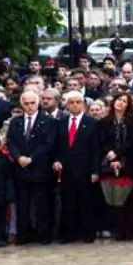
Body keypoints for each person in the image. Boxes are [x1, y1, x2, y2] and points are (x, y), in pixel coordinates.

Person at [7, 90, 56, 245]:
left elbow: (48, 144)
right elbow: (11, 141)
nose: (29, 106)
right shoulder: (16, 122)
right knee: (22, 204)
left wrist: (31, 158)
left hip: (39, 167)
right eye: (26, 103)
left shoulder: (47, 121)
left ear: (38, 103)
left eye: (32, 103)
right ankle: (23, 234)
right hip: (20, 168)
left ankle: (43, 234)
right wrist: (18, 157)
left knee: (41, 203)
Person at [52, 91, 98, 244]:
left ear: (83, 104)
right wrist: (56, 160)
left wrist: (94, 171)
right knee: (68, 202)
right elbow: (57, 146)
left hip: (85, 169)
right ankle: (68, 233)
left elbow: (95, 149)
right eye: (71, 102)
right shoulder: (60, 123)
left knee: (85, 202)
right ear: (66, 104)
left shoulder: (92, 123)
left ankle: (87, 233)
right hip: (66, 169)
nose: (75, 105)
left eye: (78, 102)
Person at [97, 92, 133, 241]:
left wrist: (117, 154)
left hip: (128, 163)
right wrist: (110, 154)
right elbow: (102, 141)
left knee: (129, 198)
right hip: (109, 163)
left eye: (124, 101)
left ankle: (129, 230)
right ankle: (118, 229)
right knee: (113, 197)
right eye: (118, 100)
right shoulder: (104, 121)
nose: (120, 103)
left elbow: (132, 141)